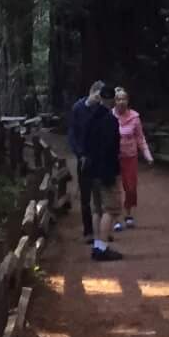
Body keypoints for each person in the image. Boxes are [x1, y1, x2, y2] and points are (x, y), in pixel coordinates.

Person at [78, 80, 125, 259]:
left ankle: (97, 244)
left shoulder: (90, 118)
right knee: (111, 209)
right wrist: (111, 171)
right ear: (112, 100)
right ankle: (103, 247)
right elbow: (111, 148)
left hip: (92, 170)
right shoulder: (110, 121)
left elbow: (85, 142)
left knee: (97, 209)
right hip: (106, 171)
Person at [67, 80, 105, 242]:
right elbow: (72, 134)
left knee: (100, 195)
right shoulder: (77, 108)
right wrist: (79, 153)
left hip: (98, 158)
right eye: (98, 96)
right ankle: (88, 231)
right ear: (92, 92)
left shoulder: (100, 111)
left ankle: (102, 230)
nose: (99, 100)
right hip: (83, 158)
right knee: (85, 197)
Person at [112, 86, 153, 229]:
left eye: (124, 99)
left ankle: (128, 214)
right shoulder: (109, 116)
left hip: (130, 156)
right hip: (114, 157)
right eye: (118, 99)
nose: (121, 102)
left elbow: (140, 138)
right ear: (114, 101)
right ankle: (115, 218)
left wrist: (148, 155)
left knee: (130, 188)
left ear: (128, 100)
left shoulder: (135, 118)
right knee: (114, 188)